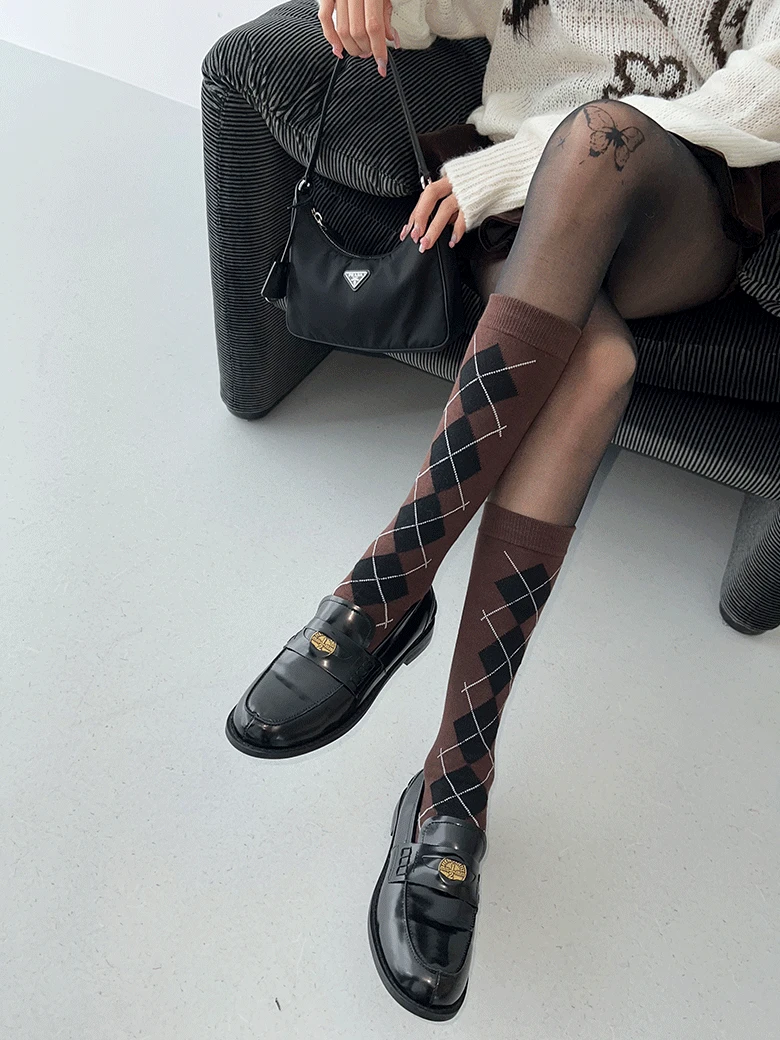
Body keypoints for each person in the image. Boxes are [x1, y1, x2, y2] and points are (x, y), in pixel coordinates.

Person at [225, 0, 780, 1021]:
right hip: (527, 228)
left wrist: (516, 165)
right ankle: (456, 781)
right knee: (598, 368)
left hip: (677, 201)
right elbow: (433, 12)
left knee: (600, 138)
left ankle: (386, 588)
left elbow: (768, 89)